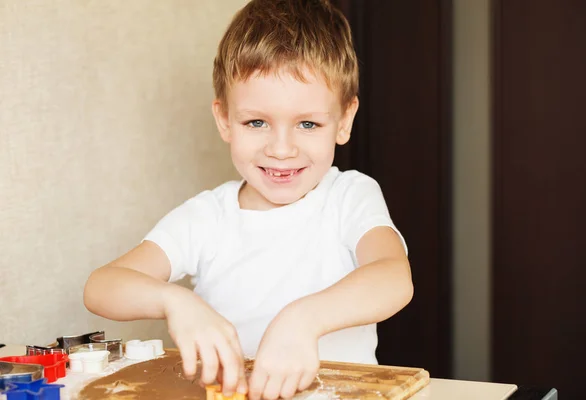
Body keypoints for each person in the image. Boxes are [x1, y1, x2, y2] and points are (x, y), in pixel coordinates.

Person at [83, 0, 414, 399]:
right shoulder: (207, 218)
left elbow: (394, 277)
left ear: (344, 120)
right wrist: (175, 301)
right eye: (256, 122)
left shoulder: (350, 196)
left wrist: (303, 320)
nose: (281, 149)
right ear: (224, 120)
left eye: (307, 123)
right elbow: (101, 287)